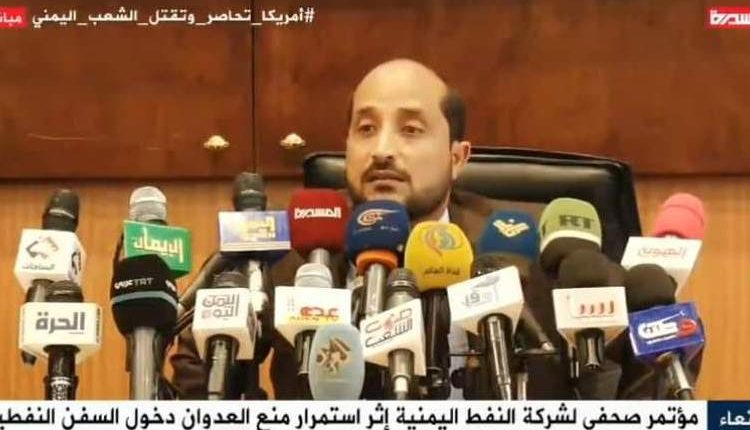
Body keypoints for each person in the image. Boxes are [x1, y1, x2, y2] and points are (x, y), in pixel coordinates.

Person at [170, 59, 700, 400]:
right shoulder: (294, 253)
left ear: (457, 156)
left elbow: (635, 376)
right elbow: (197, 361)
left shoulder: (533, 249)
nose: (382, 149)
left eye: (410, 129)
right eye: (365, 128)